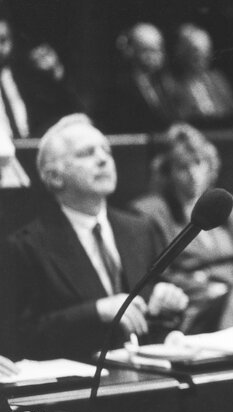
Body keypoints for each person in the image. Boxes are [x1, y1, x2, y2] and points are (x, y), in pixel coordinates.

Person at [6, 114, 188, 361]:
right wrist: (97, 311)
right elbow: (20, 339)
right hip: (81, 384)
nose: (103, 159)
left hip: (148, 375)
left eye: (107, 151)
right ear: (54, 177)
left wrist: (166, 302)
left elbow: (158, 318)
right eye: (86, 153)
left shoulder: (140, 228)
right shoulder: (27, 245)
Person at [130, 123, 233, 333]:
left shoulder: (231, 207)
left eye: (198, 164)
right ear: (168, 172)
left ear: (210, 166)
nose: (193, 174)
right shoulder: (153, 213)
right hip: (193, 306)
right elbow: (162, 275)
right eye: (183, 167)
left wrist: (212, 279)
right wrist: (213, 287)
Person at [167, 23, 233, 130]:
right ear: (182, 52)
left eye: (206, 50)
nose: (202, 56)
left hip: (227, 134)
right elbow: (183, 118)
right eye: (195, 51)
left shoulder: (216, 79)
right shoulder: (172, 82)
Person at [98, 23, 177, 134]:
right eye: (147, 50)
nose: (153, 57)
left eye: (157, 50)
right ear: (130, 51)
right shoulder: (118, 87)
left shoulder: (166, 84)